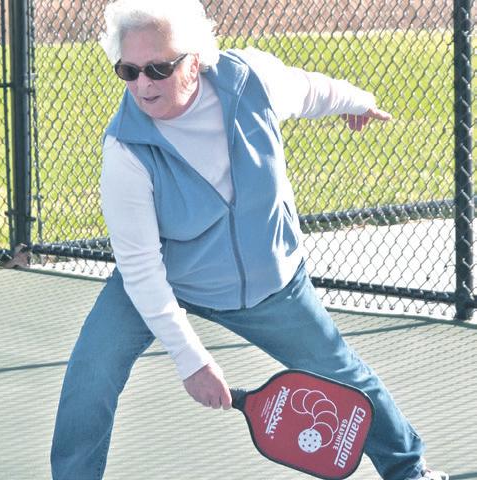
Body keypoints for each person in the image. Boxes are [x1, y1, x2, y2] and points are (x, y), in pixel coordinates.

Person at [49, 1, 447, 479]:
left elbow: (309, 90)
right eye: (127, 71)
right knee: (90, 374)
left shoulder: (250, 80)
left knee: (344, 377)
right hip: (169, 280)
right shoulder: (124, 151)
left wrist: (356, 101)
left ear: (194, 60)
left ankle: (410, 471)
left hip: (269, 282)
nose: (142, 84)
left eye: (157, 68)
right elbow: (140, 270)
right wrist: (192, 361)